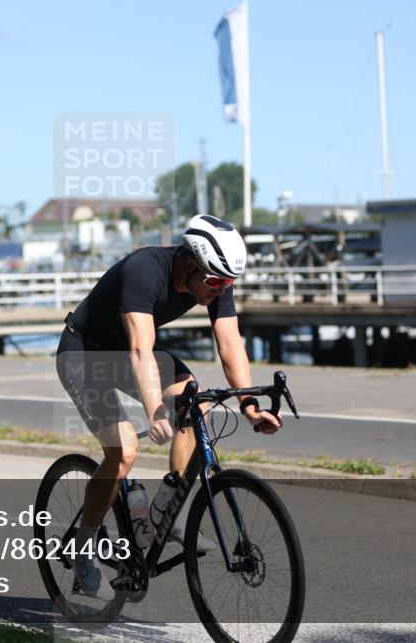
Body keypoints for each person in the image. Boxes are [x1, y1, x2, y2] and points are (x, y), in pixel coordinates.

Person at [56, 214, 283, 600]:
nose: (219, 290)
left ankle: (164, 510)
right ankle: (84, 546)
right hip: (84, 355)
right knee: (124, 451)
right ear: (189, 262)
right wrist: (155, 411)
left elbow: (229, 343)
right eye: (214, 282)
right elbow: (141, 348)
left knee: (196, 404)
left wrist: (248, 405)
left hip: (125, 354)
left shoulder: (214, 276)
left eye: (227, 284)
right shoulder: (145, 270)